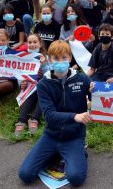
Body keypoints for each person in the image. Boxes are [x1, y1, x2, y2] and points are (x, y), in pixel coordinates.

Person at [18, 40, 92, 186]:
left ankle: (79, 151)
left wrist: (95, 92)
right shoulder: (44, 84)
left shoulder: (82, 79)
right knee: (25, 175)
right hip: (51, 135)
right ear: (50, 59)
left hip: (74, 136)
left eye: (64, 58)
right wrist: (74, 116)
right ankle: (57, 154)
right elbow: (49, 116)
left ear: (70, 58)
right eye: (56, 59)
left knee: (76, 178)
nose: (60, 62)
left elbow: (98, 104)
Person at [14, 33, 49, 137]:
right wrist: (21, 83)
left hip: (43, 85)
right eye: (29, 42)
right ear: (26, 43)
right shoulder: (23, 58)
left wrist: (44, 64)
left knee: (42, 95)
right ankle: (21, 121)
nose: (32, 44)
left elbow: (49, 75)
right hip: (29, 87)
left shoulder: (45, 57)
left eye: (35, 42)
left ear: (40, 44)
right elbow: (19, 74)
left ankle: (34, 118)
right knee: (30, 97)